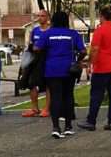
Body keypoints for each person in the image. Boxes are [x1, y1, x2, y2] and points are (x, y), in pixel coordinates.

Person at [34, 11, 86, 139]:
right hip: (69, 69)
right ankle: (68, 126)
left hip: (52, 69)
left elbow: (36, 48)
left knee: (55, 97)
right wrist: (77, 60)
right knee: (68, 96)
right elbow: (83, 51)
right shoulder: (73, 34)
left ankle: (56, 127)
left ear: (53, 20)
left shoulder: (47, 33)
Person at [80, 6, 111, 132]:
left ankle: (91, 121)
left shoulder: (100, 31)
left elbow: (95, 49)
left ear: (101, 16)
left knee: (96, 95)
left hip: (102, 68)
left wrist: (91, 63)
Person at [23, 10, 51, 118]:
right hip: (35, 60)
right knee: (32, 83)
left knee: (48, 84)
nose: (40, 18)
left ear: (47, 17)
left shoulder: (51, 31)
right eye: (38, 16)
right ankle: (34, 108)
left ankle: (47, 108)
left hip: (47, 59)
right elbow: (31, 44)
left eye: (42, 16)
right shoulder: (34, 30)